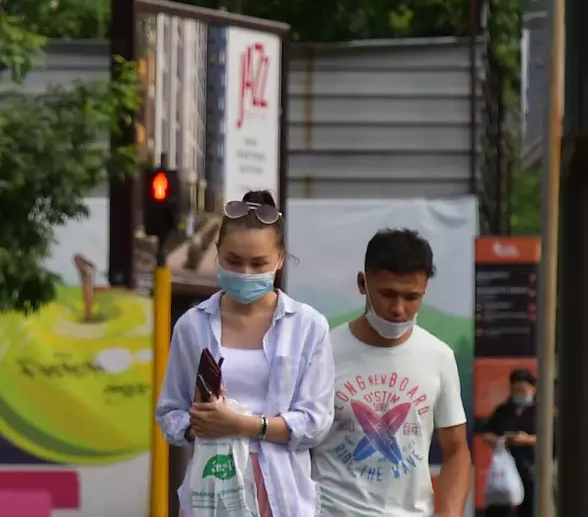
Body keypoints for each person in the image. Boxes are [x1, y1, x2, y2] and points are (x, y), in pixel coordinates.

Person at [155, 190, 336, 517]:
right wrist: (199, 425)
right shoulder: (192, 325)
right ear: (218, 252)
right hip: (210, 489)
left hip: (281, 494)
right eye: (234, 261)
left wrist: (243, 424)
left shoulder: (308, 326)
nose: (246, 273)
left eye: (258, 263)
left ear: (280, 259)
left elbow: (316, 422)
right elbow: (170, 412)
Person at [311, 228, 472, 517]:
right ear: (363, 283)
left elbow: (456, 449)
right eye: (387, 294)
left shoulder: (439, 357)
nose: (398, 309)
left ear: (425, 291)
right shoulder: (323, 352)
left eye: (412, 297)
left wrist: (449, 512)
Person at [483, 369, 539, 517]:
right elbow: (487, 435)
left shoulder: (541, 411)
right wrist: (502, 441)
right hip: (505, 471)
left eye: (523, 389)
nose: (519, 393)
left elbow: (552, 439)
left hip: (531, 472)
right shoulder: (503, 411)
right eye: (515, 390)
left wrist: (527, 439)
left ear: (533, 389)